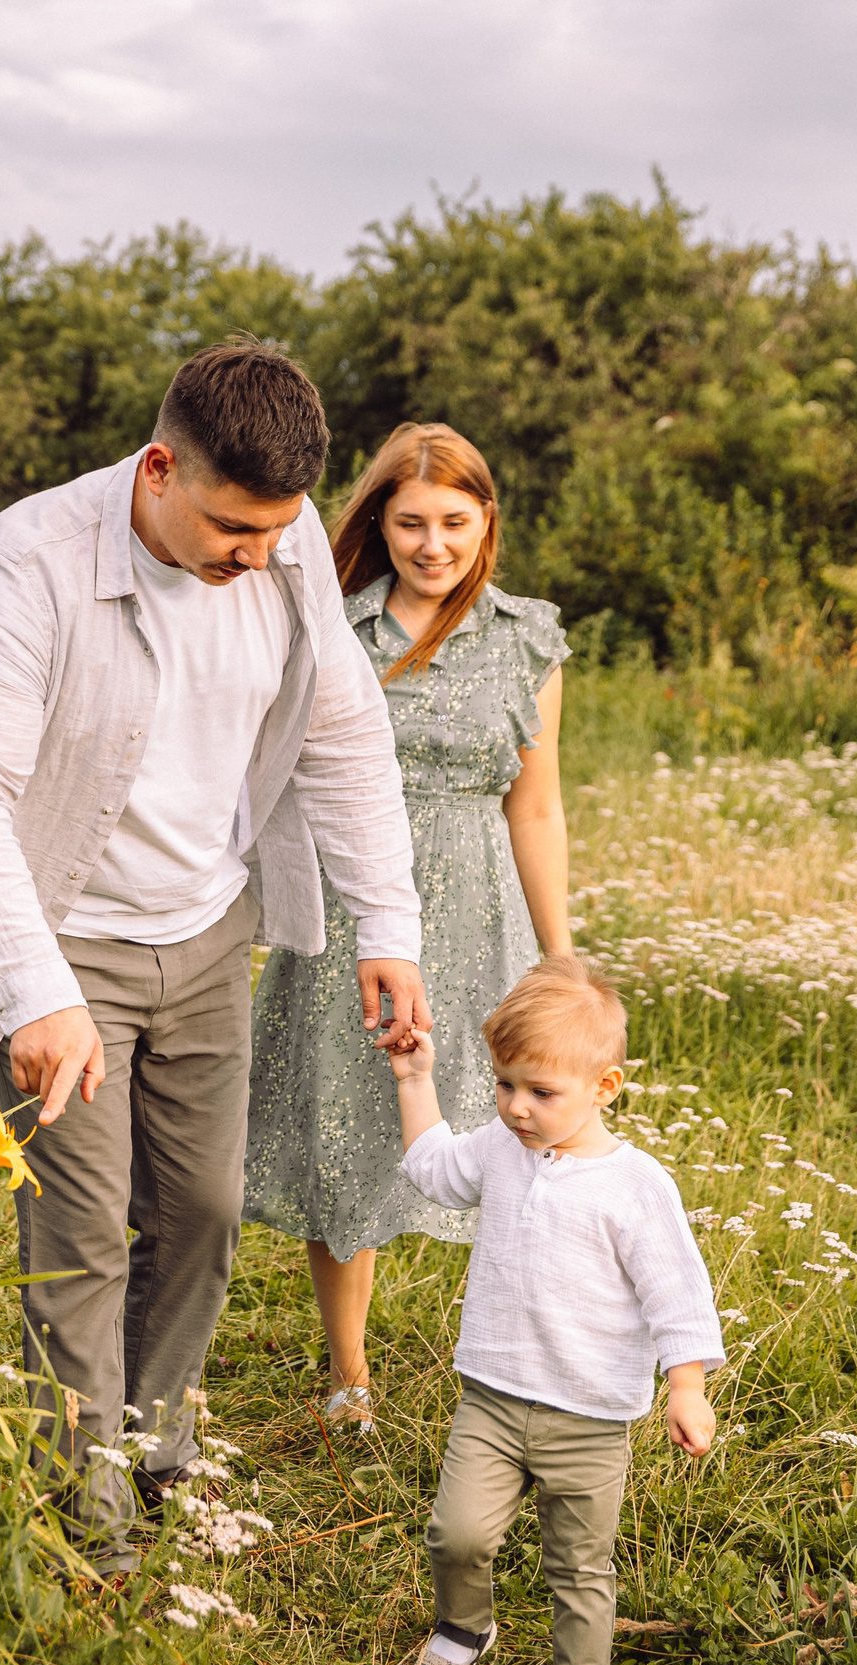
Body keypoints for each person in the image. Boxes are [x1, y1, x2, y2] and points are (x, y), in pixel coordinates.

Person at [0, 339, 430, 1567]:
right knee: (78, 1231)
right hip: (63, 938)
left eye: (276, 530)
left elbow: (344, 738)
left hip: (207, 928)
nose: (259, 555)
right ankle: (86, 1509)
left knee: (203, 1211)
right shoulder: (28, 560)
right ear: (157, 467)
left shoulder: (280, 547)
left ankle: (153, 1436)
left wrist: (383, 923)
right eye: (234, 527)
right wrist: (34, 993)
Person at [243, 423, 574, 1433]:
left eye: (454, 522)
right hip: (356, 917)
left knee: (519, 1132)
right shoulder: (331, 630)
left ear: (486, 523)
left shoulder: (527, 637)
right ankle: (349, 1375)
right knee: (345, 1130)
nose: (434, 544)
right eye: (410, 522)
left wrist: (561, 958)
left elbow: (537, 805)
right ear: (378, 524)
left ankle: (523, 1362)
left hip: (482, 908)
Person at [382, 957, 723, 1665]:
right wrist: (413, 1079)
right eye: (505, 1086)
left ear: (604, 1086)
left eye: (541, 1092)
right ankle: (465, 1627)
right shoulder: (501, 1149)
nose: (517, 1108)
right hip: (493, 1399)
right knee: (455, 1534)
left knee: (580, 1567)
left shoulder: (636, 1187)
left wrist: (687, 1384)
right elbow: (433, 1169)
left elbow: (677, 1292)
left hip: (589, 1418)